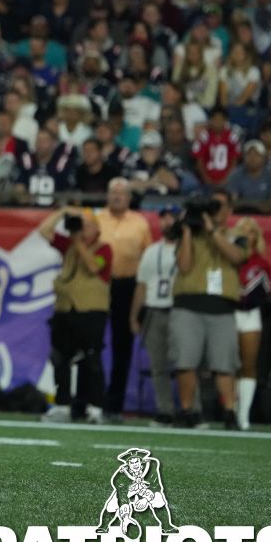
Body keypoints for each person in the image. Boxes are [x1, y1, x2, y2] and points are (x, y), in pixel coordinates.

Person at [171, 191, 248, 429]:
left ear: (229, 210)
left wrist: (212, 230)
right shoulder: (191, 235)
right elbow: (183, 266)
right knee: (185, 361)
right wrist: (186, 230)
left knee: (224, 365)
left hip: (222, 307)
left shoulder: (237, 235)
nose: (213, 210)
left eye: (218, 205)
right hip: (188, 304)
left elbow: (236, 257)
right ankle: (187, 411)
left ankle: (228, 412)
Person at [38, 207, 112, 424]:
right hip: (65, 310)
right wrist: (62, 212)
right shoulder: (68, 245)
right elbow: (44, 231)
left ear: (96, 229)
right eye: (81, 224)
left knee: (92, 359)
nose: (81, 228)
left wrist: (77, 240)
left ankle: (95, 408)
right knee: (60, 358)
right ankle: (62, 405)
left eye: (86, 225)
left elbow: (92, 266)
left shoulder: (104, 248)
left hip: (91, 311)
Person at [95, 178, 153, 423]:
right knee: (92, 343)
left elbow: (147, 258)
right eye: (113, 192)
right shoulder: (96, 219)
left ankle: (114, 405)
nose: (117, 197)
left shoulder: (140, 223)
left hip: (128, 286)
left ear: (129, 197)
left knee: (122, 347)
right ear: (107, 196)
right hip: (99, 285)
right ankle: (92, 402)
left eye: (122, 193)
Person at [130, 205, 181, 426]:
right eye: (164, 218)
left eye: (172, 218)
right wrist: (134, 315)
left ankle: (191, 409)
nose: (168, 222)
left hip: (180, 310)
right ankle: (165, 410)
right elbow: (141, 285)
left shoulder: (188, 248)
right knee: (158, 365)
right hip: (154, 309)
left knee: (185, 363)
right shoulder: (152, 250)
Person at [230, 217, 271, 430]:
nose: (246, 235)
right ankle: (230, 410)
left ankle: (243, 416)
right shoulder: (228, 258)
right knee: (227, 365)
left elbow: (259, 295)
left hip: (248, 317)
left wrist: (238, 295)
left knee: (247, 365)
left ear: (256, 237)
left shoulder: (261, 264)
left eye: (251, 231)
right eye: (242, 230)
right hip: (227, 315)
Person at [225, 139, 271, 213]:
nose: (252, 158)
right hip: (242, 214)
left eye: (257, 154)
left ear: (264, 157)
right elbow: (233, 202)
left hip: (266, 214)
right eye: (249, 154)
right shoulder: (236, 175)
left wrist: (252, 206)